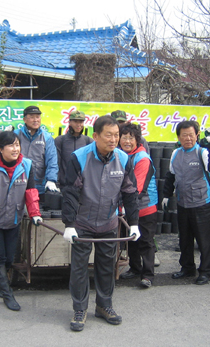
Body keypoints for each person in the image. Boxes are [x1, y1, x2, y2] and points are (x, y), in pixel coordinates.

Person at [61, 115, 140, 332]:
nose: (114, 139)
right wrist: (69, 224)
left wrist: (134, 223)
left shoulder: (123, 159)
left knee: (106, 267)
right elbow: (69, 192)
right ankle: (80, 309)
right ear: (95, 136)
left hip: (108, 221)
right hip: (83, 222)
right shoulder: (78, 158)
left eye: (117, 135)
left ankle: (104, 306)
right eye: (109, 135)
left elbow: (130, 192)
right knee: (79, 268)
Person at [0, 131, 42, 310]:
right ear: (0, 148)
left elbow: (31, 192)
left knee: (8, 258)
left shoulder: (27, 165)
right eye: (11, 145)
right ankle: (7, 293)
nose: (15, 149)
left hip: (13, 218)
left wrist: (35, 213)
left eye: (17, 145)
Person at [162, 120, 210, 285]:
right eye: (184, 135)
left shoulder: (202, 152)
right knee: (185, 239)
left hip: (203, 203)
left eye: (191, 135)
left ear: (197, 136)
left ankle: (206, 271)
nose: (188, 138)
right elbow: (171, 176)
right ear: (178, 137)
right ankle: (187, 268)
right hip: (183, 203)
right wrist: (166, 195)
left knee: (204, 239)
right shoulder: (176, 154)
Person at [117, 122, 158, 288]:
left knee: (146, 241)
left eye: (131, 138)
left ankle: (147, 275)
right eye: (124, 137)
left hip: (145, 206)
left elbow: (137, 188)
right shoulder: (119, 155)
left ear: (137, 140)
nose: (127, 141)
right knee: (132, 240)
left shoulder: (142, 158)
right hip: (127, 206)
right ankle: (135, 268)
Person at [14, 106, 59, 195]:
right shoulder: (15, 135)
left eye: (37, 117)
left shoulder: (47, 137)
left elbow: (52, 160)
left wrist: (51, 180)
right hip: (17, 183)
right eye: (31, 117)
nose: (35, 120)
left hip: (39, 185)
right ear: (24, 119)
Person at [54, 110, 93, 187]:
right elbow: (56, 163)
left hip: (82, 186)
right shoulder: (60, 140)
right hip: (64, 185)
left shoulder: (88, 141)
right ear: (69, 122)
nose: (79, 124)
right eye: (75, 121)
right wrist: (56, 183)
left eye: (81, 122)